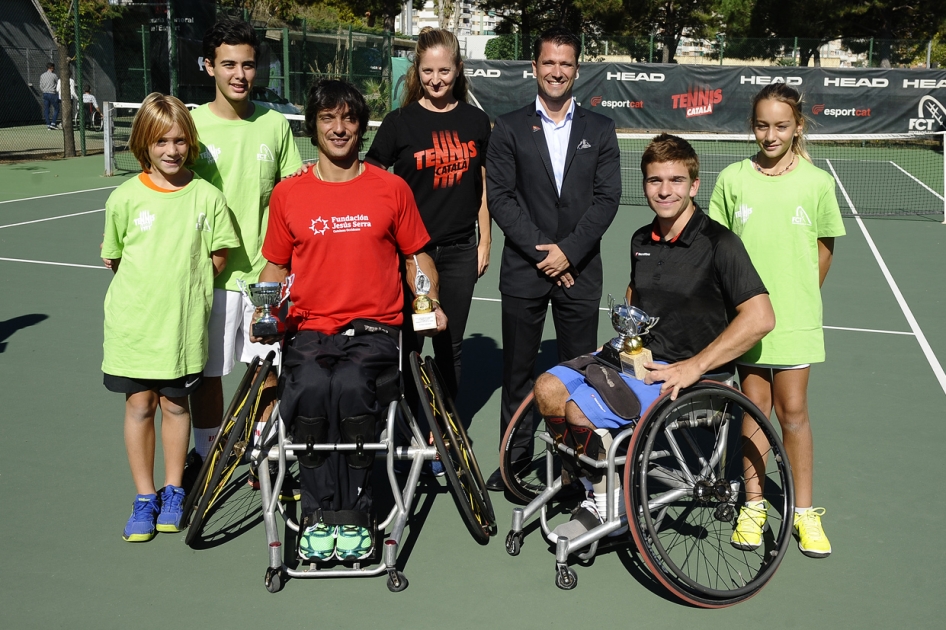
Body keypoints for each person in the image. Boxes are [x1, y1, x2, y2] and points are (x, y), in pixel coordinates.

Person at [532, 133, 775, 536]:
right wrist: (621, 345)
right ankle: (597, 481)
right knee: (548, 388)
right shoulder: (640, 240)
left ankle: (610, 504)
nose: (665, 191)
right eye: (654, 181)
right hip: (638, 362)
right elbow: (636, 297)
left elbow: (760, 318)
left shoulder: (720, 244)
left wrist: (693, 367)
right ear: (644, 184)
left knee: (578, 409)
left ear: (694, 185)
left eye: (676, 180)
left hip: (689, 376)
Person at [254, 79, 446, 562]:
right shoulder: (289, 194)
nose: (339, 129)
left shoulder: (391, 188)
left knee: (354, 387)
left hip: (376, 330)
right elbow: (276, 265)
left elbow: (415, 257)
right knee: (314, 388)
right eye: (328, 119)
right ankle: (321, 513)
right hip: (311, 330)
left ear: (361, 125)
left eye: (349, 118)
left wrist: (428, 303)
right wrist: (263, 308)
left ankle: (355, 512)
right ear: (312, 127)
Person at [709, 83, 845, 559]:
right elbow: (719, 248)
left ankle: (804, 512)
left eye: (781, 126)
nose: (771, 134)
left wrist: (800, 296)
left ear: (797, 127)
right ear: (753, 125)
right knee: (753, 408)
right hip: (748, 320)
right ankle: (753, 505)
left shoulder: (817, 182)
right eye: (763, 125)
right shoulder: (732, 178)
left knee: (793, 413)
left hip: (796, 321)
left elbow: (824, 250)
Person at [485, 26, 621, 491]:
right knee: (518, 372)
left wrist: (569, 254)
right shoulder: (507, 127)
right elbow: (501, 198)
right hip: (525, 272)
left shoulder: (600, 129)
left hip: (579, 273)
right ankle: (515, 459)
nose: (556, 71)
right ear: (535, 68)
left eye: (565, 64)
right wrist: (548, 254)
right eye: (548, 63)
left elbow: (608, 198)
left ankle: (578, 467)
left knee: (579, 376)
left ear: (576, 69)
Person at [100, 93, 239, 542]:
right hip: (134, 328)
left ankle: (175, 490)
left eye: (180, 140)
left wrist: (187, 289)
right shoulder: (123, 198)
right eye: (161, 141)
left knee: (175, 405)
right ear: (144, 143)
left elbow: (219, 254)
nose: (172, 150)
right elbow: (116, 259)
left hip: (182, 331)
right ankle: (145, 497)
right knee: (140, 405)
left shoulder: (207, 196)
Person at [188, 18, 303, 478]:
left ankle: (264, 453)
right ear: (210, 67)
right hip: (211, 276)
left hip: (265, 277)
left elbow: (292, 195)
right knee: (208, 374)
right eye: (229, 64)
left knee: (266, 371)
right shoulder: (190, 125)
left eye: (248, 65)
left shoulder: (275, 125)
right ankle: (209, 454)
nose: (239, 74)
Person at [366, 27, 491, 403]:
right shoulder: (398, 122)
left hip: (459, 251)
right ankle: (405, 428)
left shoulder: (476, 121)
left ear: (458, 70)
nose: (436, 80)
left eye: (444, 71)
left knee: (449, 346)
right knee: (408, 344)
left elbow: (482, 186)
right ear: (416, 72)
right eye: (427, 72)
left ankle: (444, 430)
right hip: (410, 255)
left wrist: (485, 239)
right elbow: (372, 179)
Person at [39, 63, 58, 130]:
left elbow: (41, 85)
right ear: (52, 68)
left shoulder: (42, 75)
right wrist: (56, 90)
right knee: (56, 108)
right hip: (52, 93)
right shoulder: (54, 75)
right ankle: (53, 123)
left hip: (45, 93)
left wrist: (43, 90)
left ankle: (48, 124)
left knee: (47, 109)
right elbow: (58, 83)